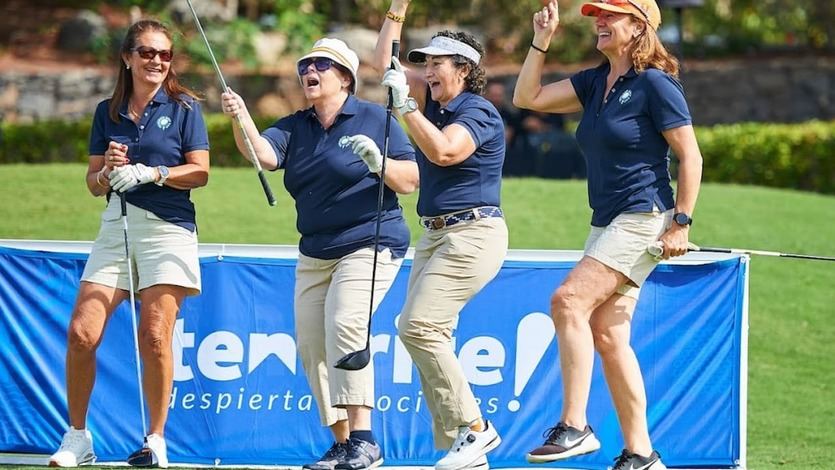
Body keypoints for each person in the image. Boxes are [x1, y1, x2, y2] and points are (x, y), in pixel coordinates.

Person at [513, 1, 703, 469]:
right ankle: (641, 454)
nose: (599, 21)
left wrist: (680, 222)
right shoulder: (595, 81)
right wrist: (542, 39)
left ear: (639, 26)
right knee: (609, 335)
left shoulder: (656, 83)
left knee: (568, 302)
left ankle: (575, 425)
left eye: (610, 15)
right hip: (608, 220)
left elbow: (691, 157)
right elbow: (528, 98)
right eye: (596, 15)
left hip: (643, 215)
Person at [221, 38, 418, 470]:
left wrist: (377, 161)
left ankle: (365, 439)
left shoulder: (374, 117)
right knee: (312, 345)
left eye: (320, 64)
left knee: (346, 322)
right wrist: (241, 119)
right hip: (316, 249)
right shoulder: (296, 125)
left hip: (371, 240)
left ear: (344, 77)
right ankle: (344, 443)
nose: (309, 69)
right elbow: (264, 155)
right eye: (304, 64)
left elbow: (409, 181)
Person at [48, 19, 210, 468]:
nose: (156, 60)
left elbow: (200, 172)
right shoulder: (108, 111)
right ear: (127, 58)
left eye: (164, 54)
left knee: (155, 336)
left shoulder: (185, 108)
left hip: (168, 229)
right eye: (147, 52)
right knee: (82, 332)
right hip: (116, 225)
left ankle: (156, 440)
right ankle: (78, 437)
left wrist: (153, 173)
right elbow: (93, 183)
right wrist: (108, 172)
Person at [374, 2, 508, 469]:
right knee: (427, 333)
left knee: (417, 326)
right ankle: (464, 448)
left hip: (472, 233)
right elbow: (382, 65)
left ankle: (475, 430)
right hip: (433, 236)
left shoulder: (479, 111)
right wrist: (395, 11)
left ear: (464, 69)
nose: (427, 71)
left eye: (436, 63)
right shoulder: (437, 105)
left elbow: (447, 152)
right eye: (425, 64)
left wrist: (406, 105)